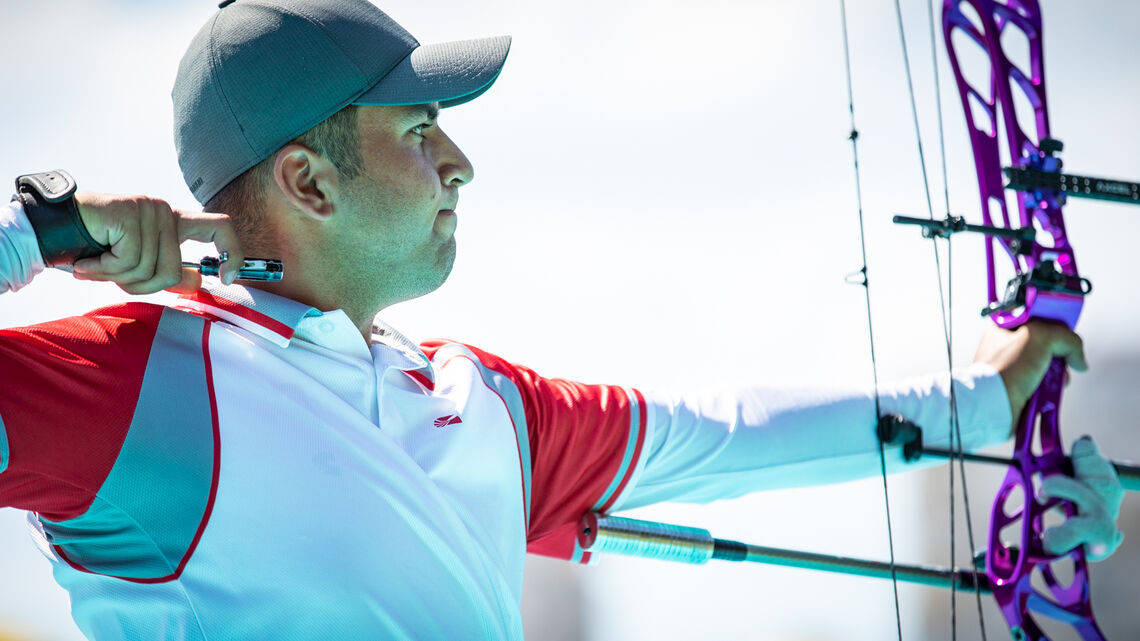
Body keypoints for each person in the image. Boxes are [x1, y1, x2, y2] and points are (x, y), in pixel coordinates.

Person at [0, 0, 1123, 638]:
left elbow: (720, 433)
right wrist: (33, 237)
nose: (460, 164)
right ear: (307, 181)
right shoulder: (133, 385)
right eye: (420, 132)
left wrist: (988, 406)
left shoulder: (474, 399)